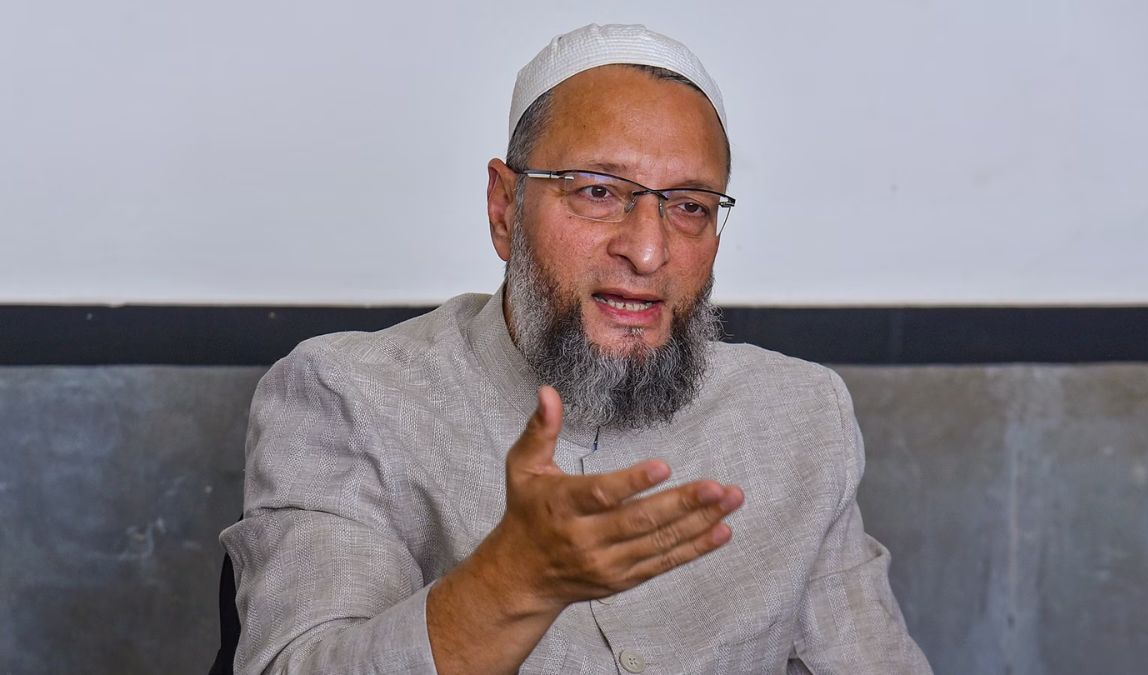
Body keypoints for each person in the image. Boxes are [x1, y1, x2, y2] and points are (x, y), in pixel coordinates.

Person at [219, 23, 932, 674]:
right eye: (597, 191)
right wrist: (515, 580)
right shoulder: (348, 397)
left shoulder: (799, 416)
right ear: (505, 208)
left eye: (689, 206)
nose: (648, 250)